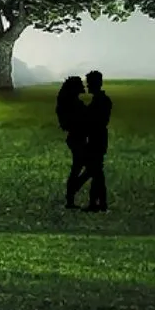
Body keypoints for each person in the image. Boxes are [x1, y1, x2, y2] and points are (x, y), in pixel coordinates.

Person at [77, 70, 112, 213]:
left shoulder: (100, 101)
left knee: (95, 172)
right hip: (98, 139)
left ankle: (97, 204)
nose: (86, 85)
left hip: (96, 140)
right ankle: (98, 204)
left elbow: (95, 121)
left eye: (89, 83)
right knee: (97, 173)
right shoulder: (102, 100)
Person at [55, 75, 88, 209]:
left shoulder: (68, 103)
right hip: (77, 138)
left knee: (80, 167)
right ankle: (72, 193)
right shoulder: (74, 104)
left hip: (76, 138)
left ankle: (71, 197)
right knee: (88, 167)